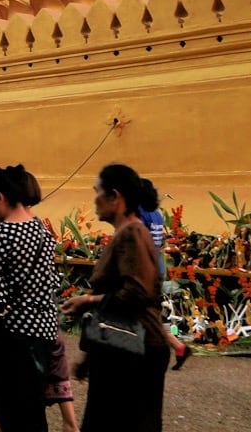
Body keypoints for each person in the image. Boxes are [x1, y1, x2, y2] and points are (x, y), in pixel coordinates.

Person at [60, 164, 165, 432]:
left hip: (135, 350)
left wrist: (89, 301)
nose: (93, 198)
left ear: (115, 197)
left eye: (97, 191)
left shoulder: (132, 233)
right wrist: (89, 358)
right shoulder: (128, 233)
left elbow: (137, 292)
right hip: (121, 345)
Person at [0, 164, 59, 432]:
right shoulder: (41, 231)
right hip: (43, 329)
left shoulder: (1, 235)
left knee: (10, 408)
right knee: (33, 409)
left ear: (1, 197)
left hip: (13, 333)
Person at [136, 178, 190, 370]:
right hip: (158, 264)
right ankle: (178, 346)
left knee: (141, 313)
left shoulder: (140, 213)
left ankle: (172, 347)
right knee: (147, 313)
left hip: (144, 266)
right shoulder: (157, 214)